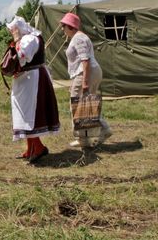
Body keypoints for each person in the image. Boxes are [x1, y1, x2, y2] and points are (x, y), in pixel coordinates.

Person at [7, 16, 61, 162]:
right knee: (24, 113)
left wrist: (17, 39)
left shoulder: (29, 39)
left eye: (13, 29)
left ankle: (39, 148)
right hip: (27, 79)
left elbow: (23, 56)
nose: (11, 32)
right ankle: (31, 148)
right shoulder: (29, 38)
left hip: (33, 80)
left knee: (29, 114)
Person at [60, 12, 112, 160]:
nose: (62, 29)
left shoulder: (79, 38)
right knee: (87, 105)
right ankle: (103, 130)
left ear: (70, 26)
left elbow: (85, 60)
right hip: (88, 72)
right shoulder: (80, 37)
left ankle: (83, 139)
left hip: (85, 73)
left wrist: (84, 82)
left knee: (77, 106)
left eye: (64, 26)